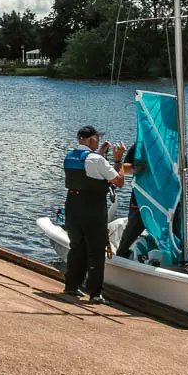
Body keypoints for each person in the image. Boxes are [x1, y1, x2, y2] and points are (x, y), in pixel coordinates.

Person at [63, 125, 125, 303]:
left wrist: (100, 153)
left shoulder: (70, 156)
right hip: (92, 208)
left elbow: (88, 167)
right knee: (96, 251)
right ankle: (95, 293)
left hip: (73, 206)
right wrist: (118, 160)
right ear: (91, 140)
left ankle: (71, 286)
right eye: (97, 138)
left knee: (76, 247)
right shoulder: (97, 160)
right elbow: (118, 181)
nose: (98, 140)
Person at [115, 143, 148, 258]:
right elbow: (124, 169)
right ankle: (121, 255)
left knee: (175, 233)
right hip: (140, 198)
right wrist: (135, 168)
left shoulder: (173, 145)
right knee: (131, 231)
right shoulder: (139, 145)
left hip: (167, 201)